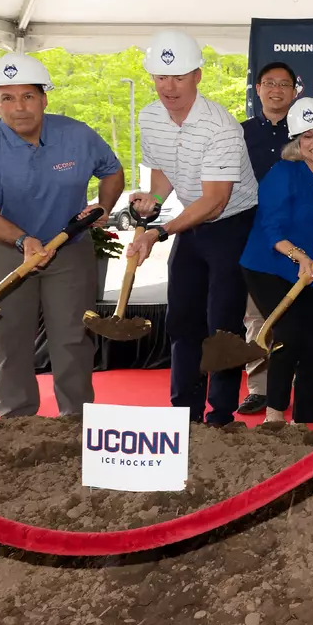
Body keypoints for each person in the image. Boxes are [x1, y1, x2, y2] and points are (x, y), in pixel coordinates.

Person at [0, 53, 123, 418]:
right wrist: (22, 241)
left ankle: (78, 423)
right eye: (8, 98)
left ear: (44, 98)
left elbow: (111, 170)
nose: (19, 107)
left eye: (28, 96)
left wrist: (104, 206)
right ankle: (17, 425)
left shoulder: (76, 135)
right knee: (9, 342)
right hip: (6, 251)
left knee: (74, 339)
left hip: (69, 248)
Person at [127, 30, 260, 425]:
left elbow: (215, 201)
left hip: (232, 223)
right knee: (183, 320)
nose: (168, 87)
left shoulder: (221, 126)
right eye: (160, 77)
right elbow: (165, 172)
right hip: (191, 221)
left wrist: (160, 232)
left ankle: (220, 416)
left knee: (222, 324)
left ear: (197, 77)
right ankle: (183, 413)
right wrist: (152, 199)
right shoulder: (149, 116)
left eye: (179, 77)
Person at [238, 99, 313, 425]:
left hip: (309, 270)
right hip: (268, 265)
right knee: (288, 334)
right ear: (297, 143)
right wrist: (300, 257)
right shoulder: (283, 173)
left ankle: (303, 422)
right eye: (308, 136)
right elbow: (271, 229)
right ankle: (274, 418)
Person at [236, 60, 300, 415]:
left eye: (284, 84)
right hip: (256, 236)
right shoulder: (239, 133)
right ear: (257, 89)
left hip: (301, 236)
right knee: (256, 314)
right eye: (269, 83)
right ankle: (259, 387)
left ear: (295, 91)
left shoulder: (308, 133)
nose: (277, 90)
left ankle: (298, 385)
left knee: (299, 314)